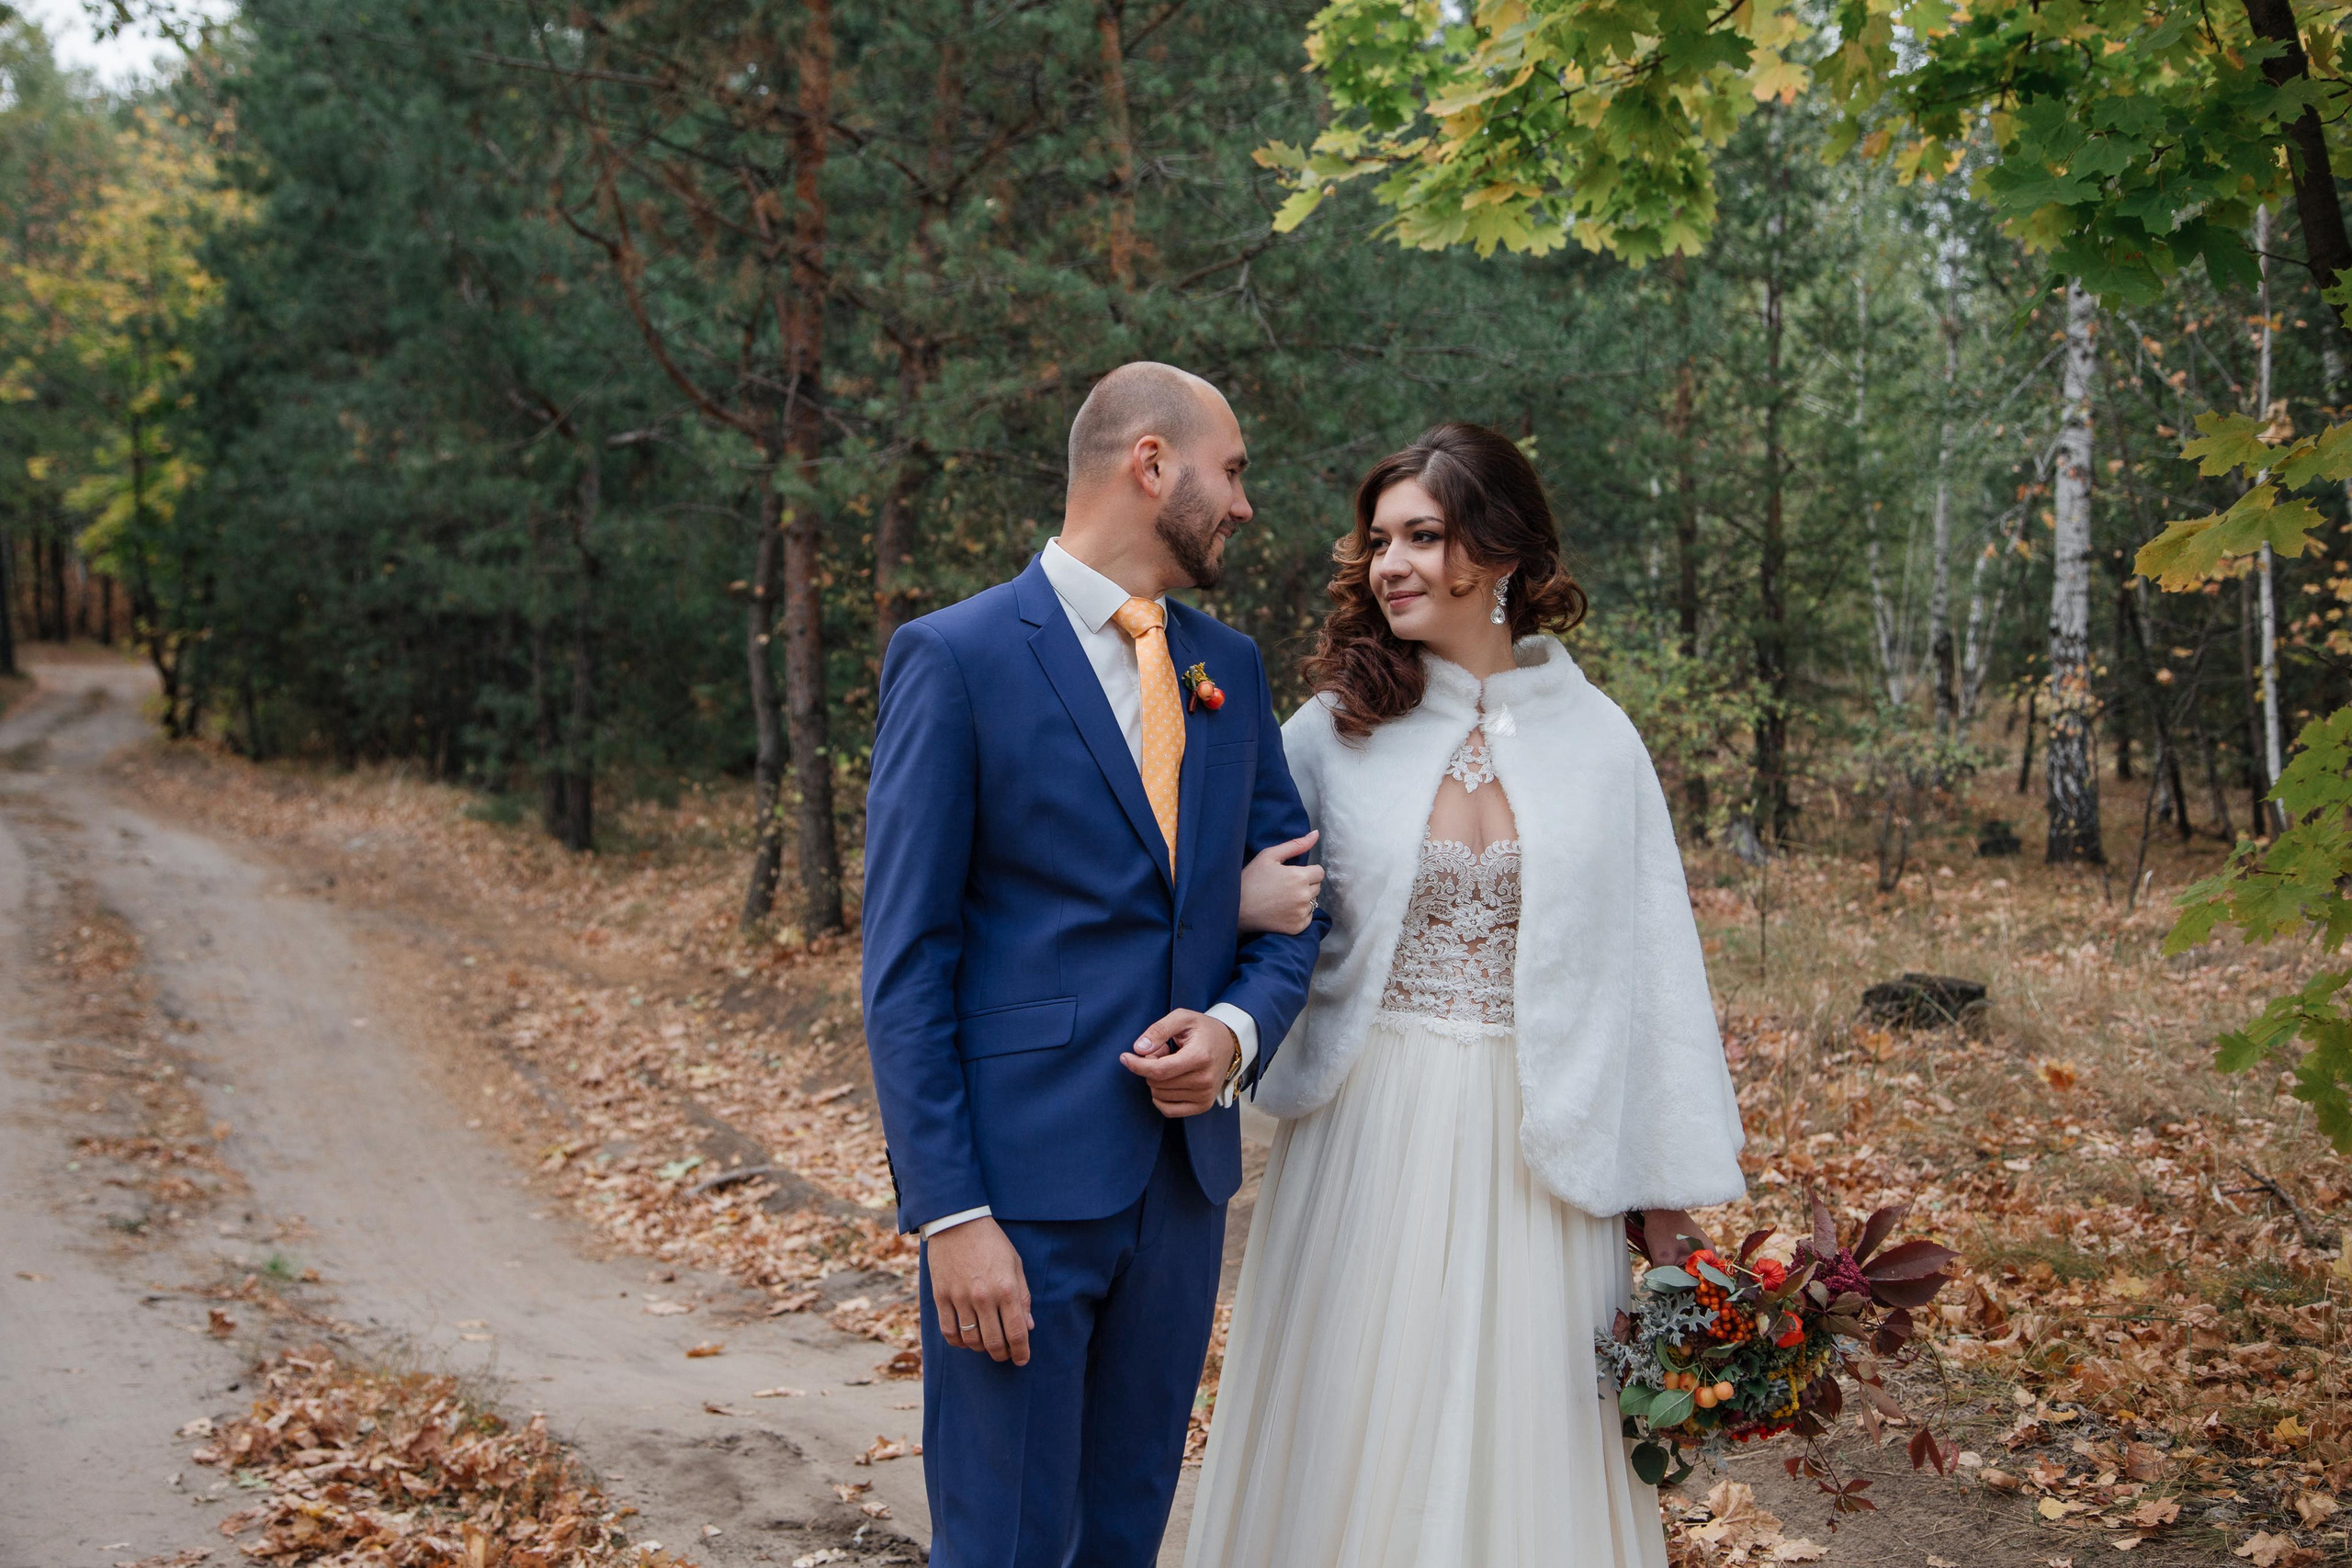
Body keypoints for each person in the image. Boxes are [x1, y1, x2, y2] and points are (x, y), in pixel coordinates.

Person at [1187, 422, 1748, 1568]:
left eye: (1422, 537)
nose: (1388, 563)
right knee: (1351, 1423)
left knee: (1525, 1429)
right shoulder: (1331, 734)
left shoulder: (1598, 743)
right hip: (1365, 1131)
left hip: (1545, 1152)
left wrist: (1667, 1201)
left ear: (1495, 556)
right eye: (1380, 540)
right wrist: (1231, 908)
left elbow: (1650, 979)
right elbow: (1226, 909)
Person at [861, 362, 1329, 1568]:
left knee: (1122, 1533)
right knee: (1003, 1538)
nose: (1242, 503)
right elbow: (907, 958)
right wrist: (951, 1211)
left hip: (1178, 1196)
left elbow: (1296, 908)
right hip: (1014, 1191)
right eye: (1230, 471)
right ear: (1151, 463)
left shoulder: (1229, 666)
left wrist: (1232, 1026)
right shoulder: (955, 655)